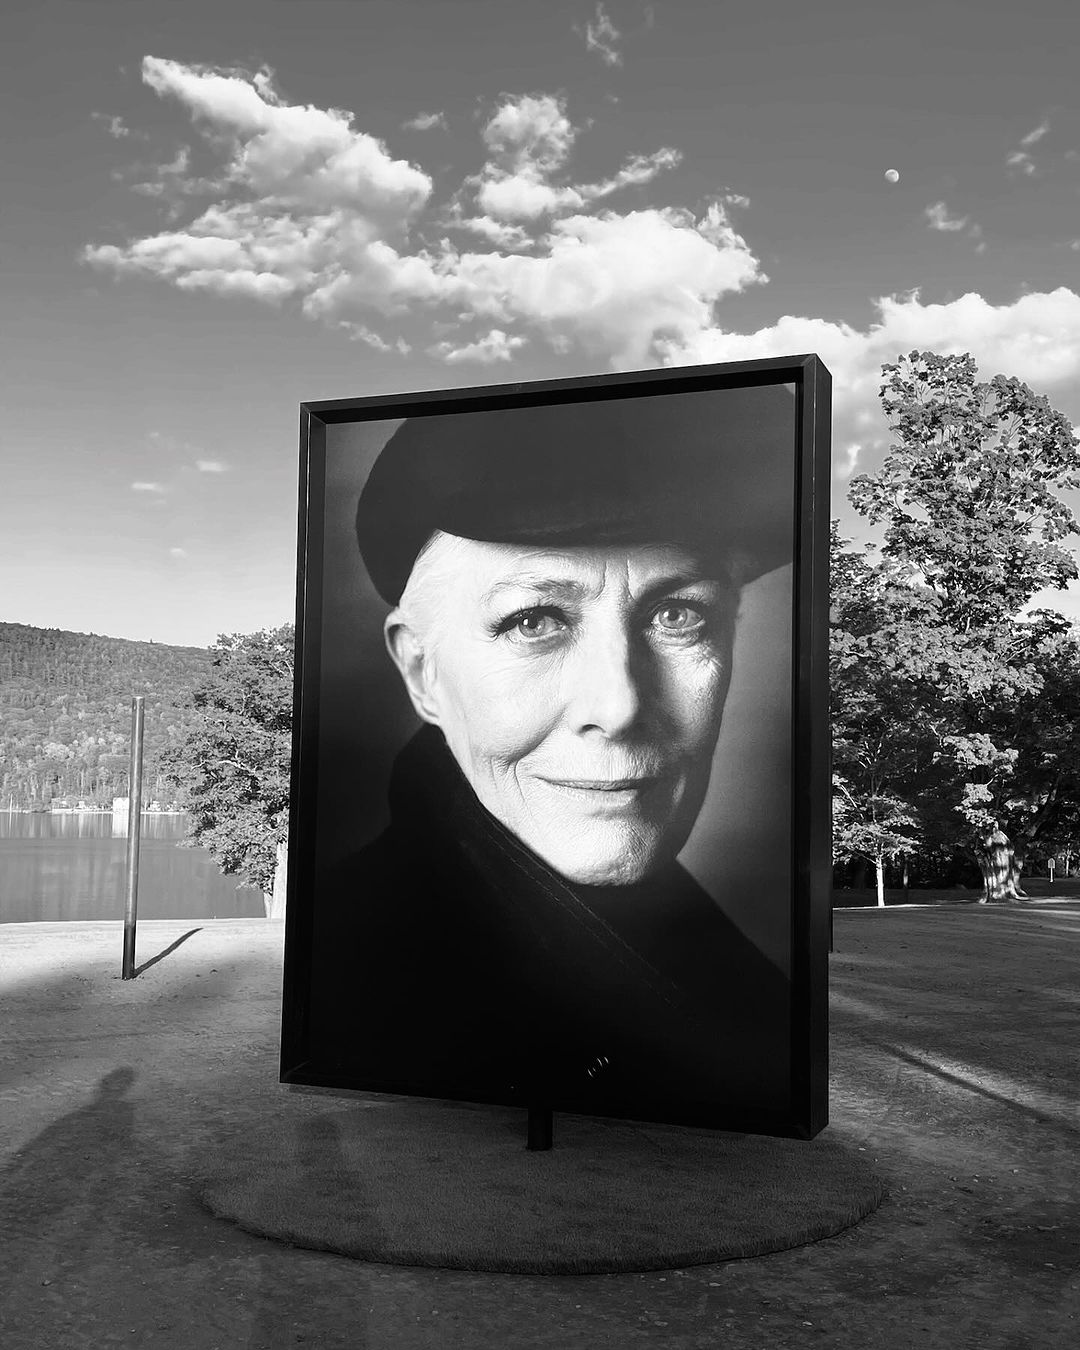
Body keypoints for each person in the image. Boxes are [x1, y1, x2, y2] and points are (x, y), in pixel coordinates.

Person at [312, 384, 795, 1127]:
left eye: (678, 614)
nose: (619, 707)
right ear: (422, 673)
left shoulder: (698, 951)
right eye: (533, 621)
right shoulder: (356, 972)